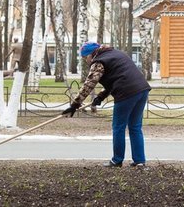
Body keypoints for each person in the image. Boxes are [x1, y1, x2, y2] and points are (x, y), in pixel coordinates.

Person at [62, 41, 151, 169]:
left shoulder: (98, 61)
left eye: (85, 57)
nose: (86, 61)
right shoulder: (115, 53)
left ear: (91, 54)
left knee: (118, 127)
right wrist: (100, 96)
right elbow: (119, 77)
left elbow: (89, 83)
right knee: (135, 127)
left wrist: (75, 105)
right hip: (142, 90)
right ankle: (140, 161)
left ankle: (117, 161)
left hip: (126, 93)